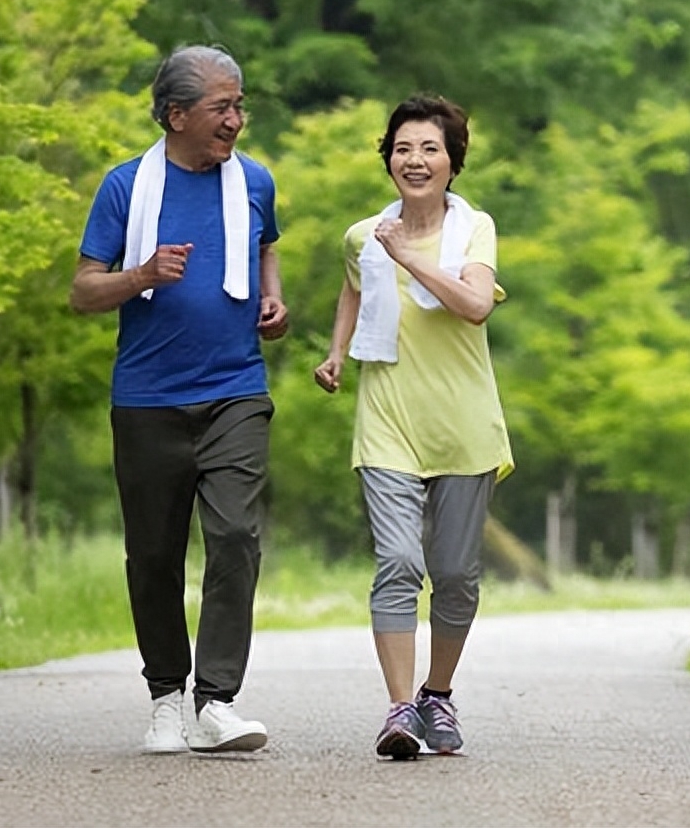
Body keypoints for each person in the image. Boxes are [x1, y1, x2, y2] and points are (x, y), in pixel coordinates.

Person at [70, 45, 288, 754]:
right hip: (147, 399)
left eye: (239, 104)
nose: (237, 118)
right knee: (154, 554)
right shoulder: (126, 187)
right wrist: (142, 275)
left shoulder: (254, 181)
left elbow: (265, 246)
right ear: (177, 115)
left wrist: (274, 297)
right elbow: (82, 292)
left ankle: (217, 700)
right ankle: (167, 696)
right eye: (223, 107)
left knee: (234, 537)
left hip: (235, 390)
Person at [313, 95, 513, 759]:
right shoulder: (363, 235)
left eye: (430, 148)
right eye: (403, 149)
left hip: (464, 428)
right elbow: (353, 286)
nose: (415, 160)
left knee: (455, 574)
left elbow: (476, 304)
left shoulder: (474, 229)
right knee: (398, 562)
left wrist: (409, 257)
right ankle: (399, 710)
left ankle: (438, 695)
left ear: (453, 161)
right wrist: (337, 351)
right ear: (388, 159)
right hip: (387, 422)